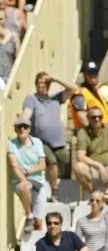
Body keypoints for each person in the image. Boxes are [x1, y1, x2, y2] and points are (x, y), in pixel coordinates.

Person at [22, 72, 76, 201]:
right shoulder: (31, 99)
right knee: (51, 161)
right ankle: (55, 191)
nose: (43, 86)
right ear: (35, 85)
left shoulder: (55, 99)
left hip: (59, 143)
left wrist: (55, 78)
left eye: (46, 83)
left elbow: (74, 88)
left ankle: (73, 190)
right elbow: (27, 113)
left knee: (71, 160)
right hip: (41, 142)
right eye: (40, 83)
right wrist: (22, 122)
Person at [8, 115, 46, 233]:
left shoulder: (37, 142)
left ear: (29, 129)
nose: (22, 129)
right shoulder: (11, 144)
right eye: (19, 127)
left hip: (38, 181)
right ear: (15, 129)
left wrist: (28, 171)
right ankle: (29, 216)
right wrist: (24, 179)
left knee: (39, 221)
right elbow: (13, 165)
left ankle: (38, 246)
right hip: (20, 180)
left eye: (25, 127)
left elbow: (42, 165)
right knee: (24, 186)